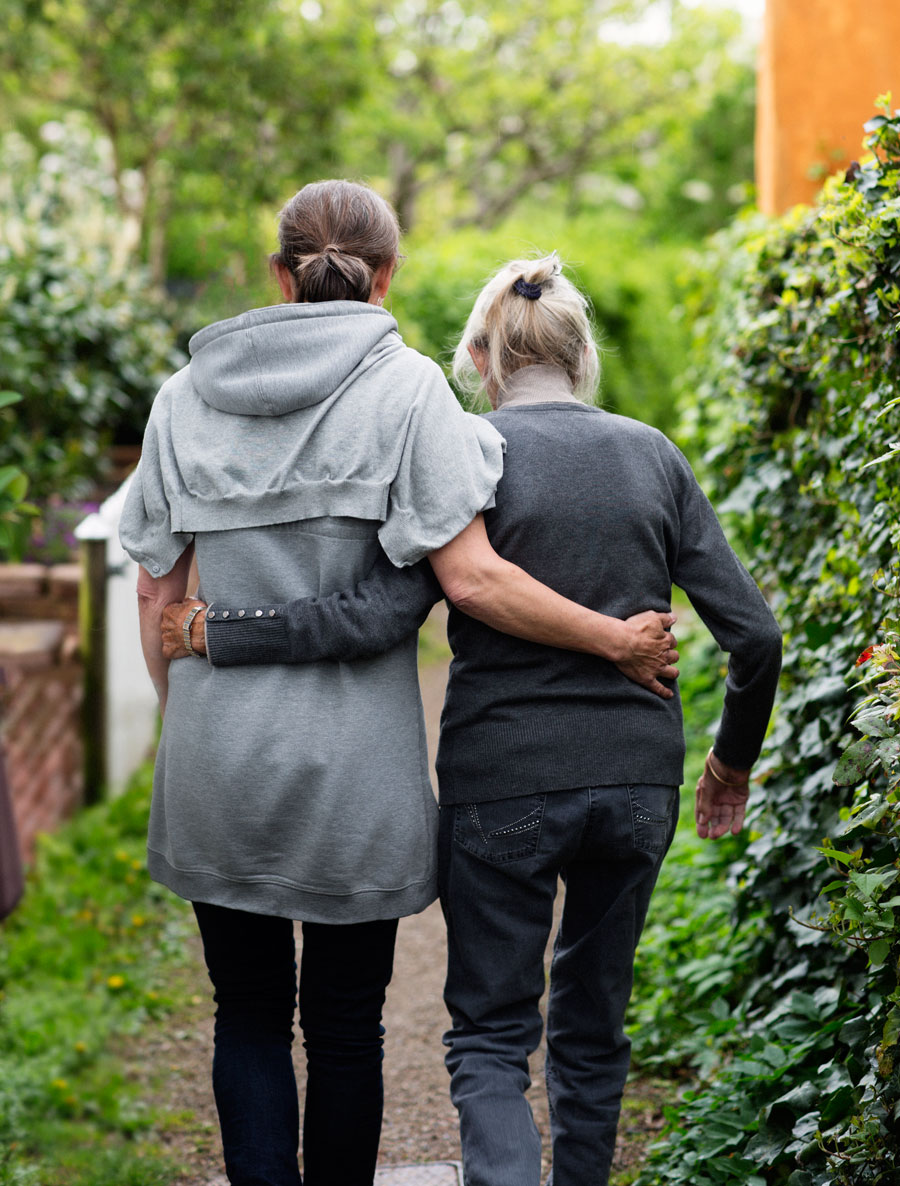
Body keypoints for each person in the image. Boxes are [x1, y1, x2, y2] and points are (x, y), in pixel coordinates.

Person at [162, 252, 782, 1186]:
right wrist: (728, 768)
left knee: (491, 1033)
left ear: (484, 362)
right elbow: (757, 637)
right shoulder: (654, 454)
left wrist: (217, 633)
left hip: (502, 782)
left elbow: (374, 613)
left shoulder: (465, 454)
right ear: (579, 355)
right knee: (594, 1016)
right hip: (637, 781)